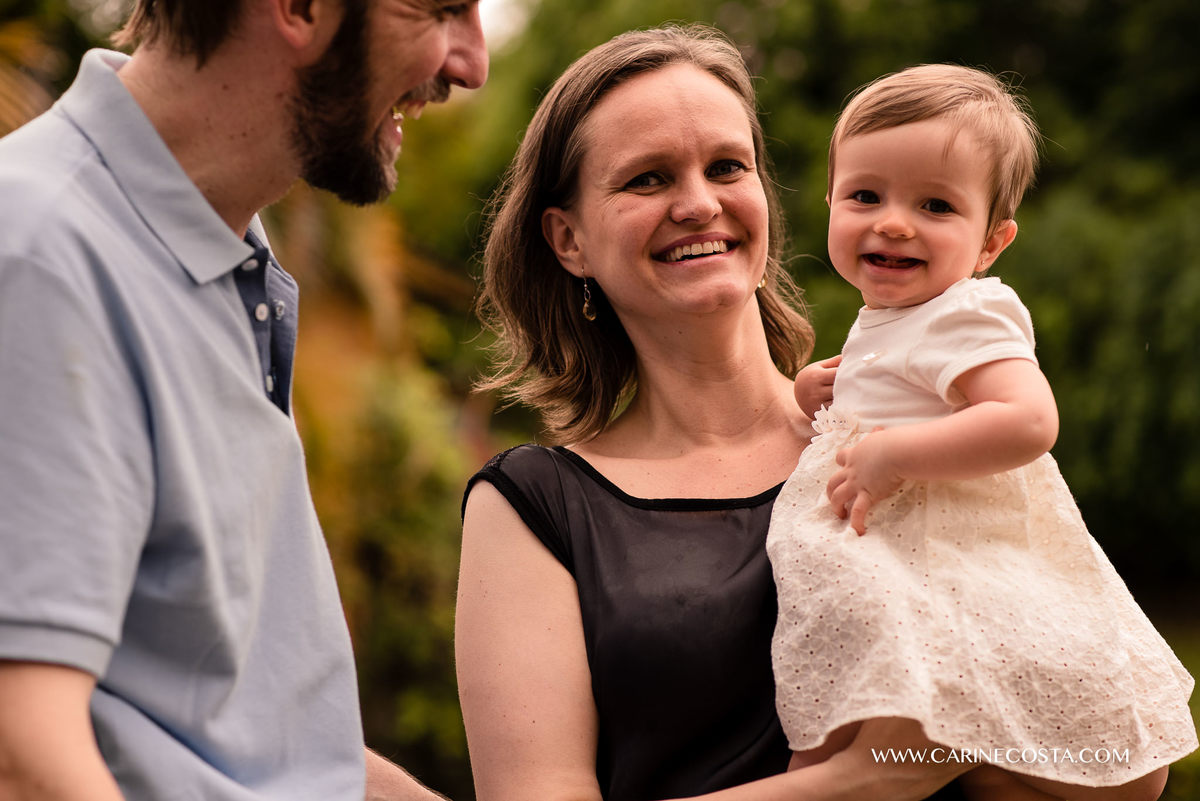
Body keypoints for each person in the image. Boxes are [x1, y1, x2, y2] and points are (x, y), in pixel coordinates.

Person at [455, 24, 976, 801]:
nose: (699, 204)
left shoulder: (916, 431)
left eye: (727, 166)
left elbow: (1123, 766)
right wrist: (858, 782)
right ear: (568, 240)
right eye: (648, 179)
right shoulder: (533, 508)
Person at [0, 1, 486, 799]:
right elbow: (24, 757)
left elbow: (263, 752)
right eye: (438, 9)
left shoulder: (227, 270)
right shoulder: (39, 250)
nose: (471, 63)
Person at [771, 64, 1198, 801]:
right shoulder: (894, 315)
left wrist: (895, 452)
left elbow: (1028, 419)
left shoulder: (968, 311)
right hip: (901, 573)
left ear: (991, 242)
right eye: (865, 195)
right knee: (871, 729)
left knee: (866, 745)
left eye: (935, 204)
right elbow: (908, 387)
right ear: (833, 202)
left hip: (954, 562)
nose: (894, 221)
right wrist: (827, 393)